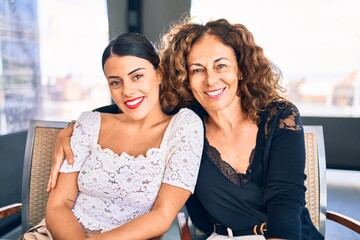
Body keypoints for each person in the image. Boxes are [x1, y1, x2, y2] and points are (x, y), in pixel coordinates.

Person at [49, 18, 324, 240]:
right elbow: (135, 104)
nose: (211, 80)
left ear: (241, 68)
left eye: (221, 65)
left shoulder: (279, 116)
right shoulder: (185, 125)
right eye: (197, 70)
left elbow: (285, 198)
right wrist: (76, 126)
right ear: (186, 78)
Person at [27, 32, 204, 240]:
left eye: (137, 76)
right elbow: (58, 205)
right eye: (115, 82)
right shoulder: (89, 124)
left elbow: (162, 215)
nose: (127, 91)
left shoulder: (184, 127)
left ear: (160, 73)